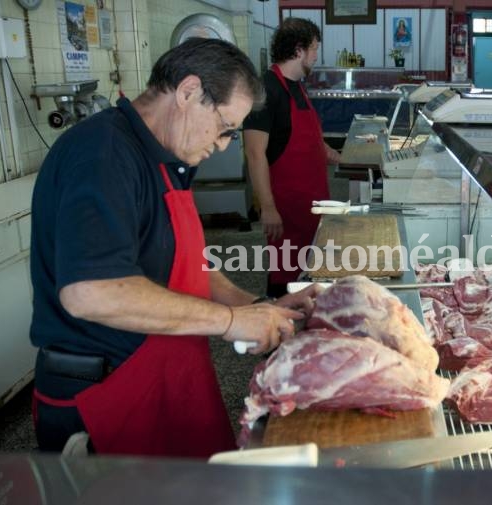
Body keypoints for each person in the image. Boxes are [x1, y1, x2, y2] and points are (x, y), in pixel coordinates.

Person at [30, 38, 322, 459]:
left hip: (164, 377)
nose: (224, 145)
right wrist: (228, 321)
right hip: (107, 397)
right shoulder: (103, 155)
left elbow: (184, 265)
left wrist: (258, 305)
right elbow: (90, 291)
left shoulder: (167, 157)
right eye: (225, 128)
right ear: (188, 92)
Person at [243, 18, 341, 298]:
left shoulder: (297, 85)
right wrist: (268, 207)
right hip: (286, 211)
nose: (316, 55)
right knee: (284, 279)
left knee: (308, 278)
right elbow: (254, 153)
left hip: (312, 207)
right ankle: (276, 335)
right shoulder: (267, 89)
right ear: (298, 50)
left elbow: (312, 142)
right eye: (313, 49)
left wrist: (343, 159)